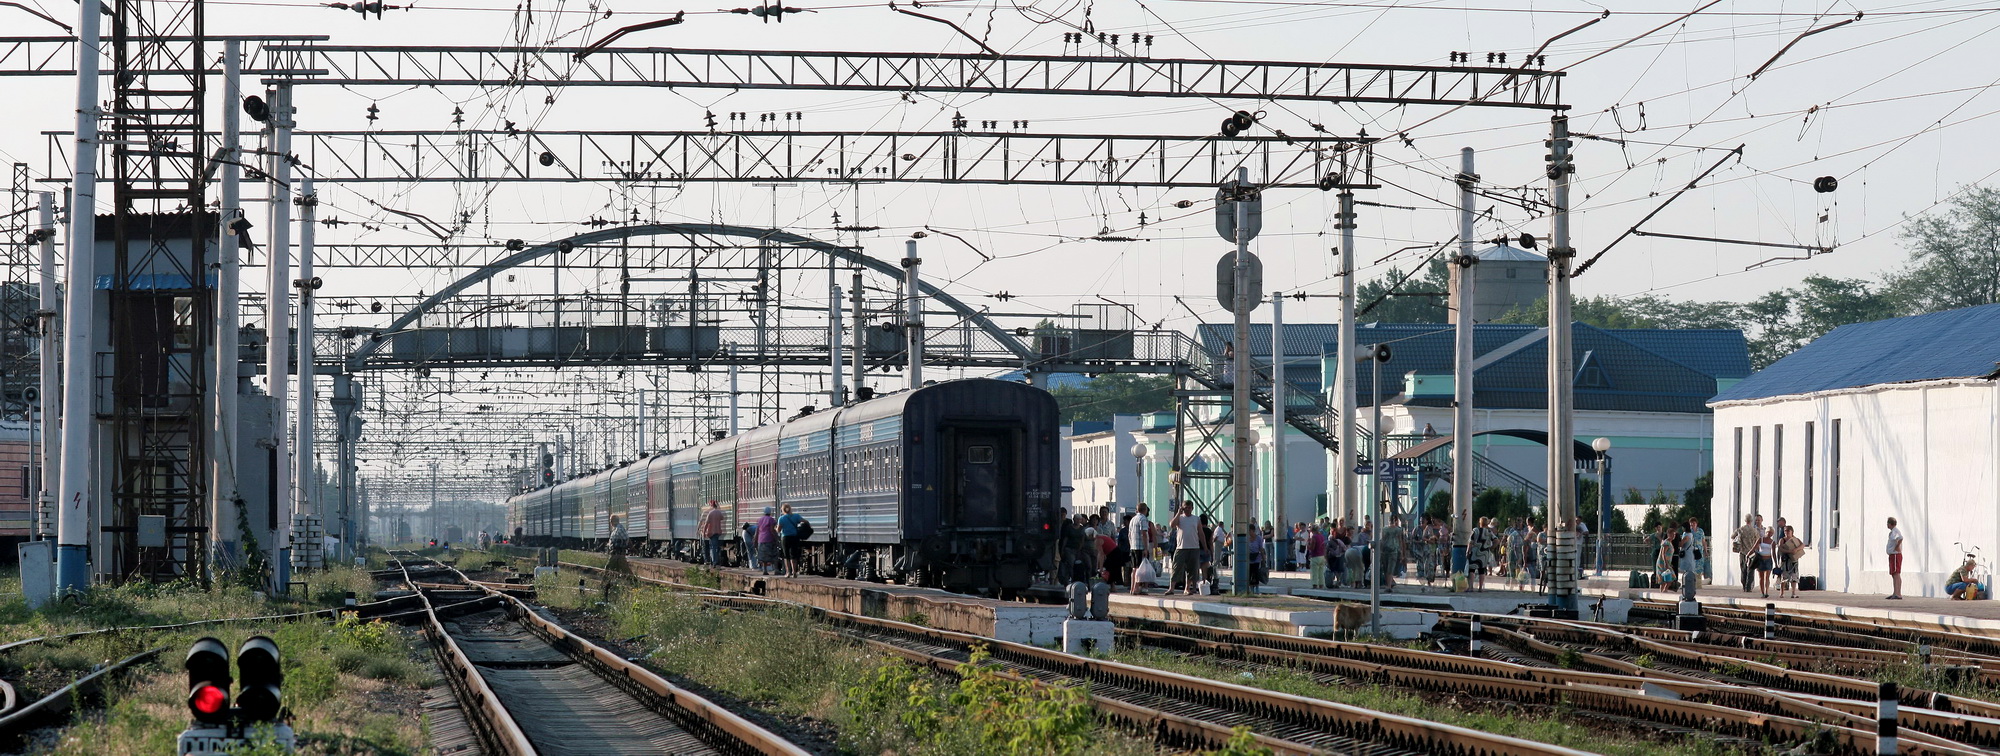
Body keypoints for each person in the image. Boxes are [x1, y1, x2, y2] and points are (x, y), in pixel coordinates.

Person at [1168, 503, 1202, 595]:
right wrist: (1178, 513)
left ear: (1192, 508)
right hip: (1181, 547)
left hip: (1194, 547)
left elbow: (1201, 533)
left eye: (1189, 507)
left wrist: (1205, 546)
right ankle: (1171, 588)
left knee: (1191, 569)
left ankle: (1187, 588)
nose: (1187, 509)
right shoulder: (1180, 518)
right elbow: (1172, 525)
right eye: (1185, 508)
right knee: (1176, 568)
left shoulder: (1196, 519)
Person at [1734, 514, 1762, 593]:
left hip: (1743, 552)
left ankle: (1744, 585)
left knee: (1743, 569)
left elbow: (1733, 536)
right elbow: (1758, 540)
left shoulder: (1740, 529)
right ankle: (1749, 587)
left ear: (1745, 520)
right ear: (1752, 520)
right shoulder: (1754, 530)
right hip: (1752, 552)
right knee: (1751, 569)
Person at [777, 503, 806, 577]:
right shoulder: (796, 516)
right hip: (794, 537)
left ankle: (788, 572)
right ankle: (794, 572)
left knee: (786, 556)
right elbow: (805, 521)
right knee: (793, 555)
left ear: (783, 510)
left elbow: (779, 530)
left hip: (785, 538)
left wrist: (775, 528)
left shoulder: (781, 518)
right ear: (790, 509)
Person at [1777, 525, 1804, 598]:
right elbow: (1780, 548)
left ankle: (1793, 593)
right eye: (1785, 530)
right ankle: (1782, 592)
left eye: (1788, 530)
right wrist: (1789, 551)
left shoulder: (1795, 539)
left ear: (1792, 531)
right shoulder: (1782, 540)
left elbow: (1802, 545)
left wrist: (1796, 549)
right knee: (1784, 577)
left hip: (1794, 561)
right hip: (1785, 561)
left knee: (1794, 577)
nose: (1786, 532)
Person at [754, 507, 781, 576]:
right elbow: (772, 530)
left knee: (763, 556)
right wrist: (776, 538)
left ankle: (765, 570)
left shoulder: (759, 520)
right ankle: (776, 570)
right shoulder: (771, 520)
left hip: (761, 539)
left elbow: (757, 531)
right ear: (770, 512)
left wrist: (755, 540)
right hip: (770, 539)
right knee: (774, 554)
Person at [700, 501, 727, 566]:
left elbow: (706, 524)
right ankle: (715, 560)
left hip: (711, 532)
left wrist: (704, 532)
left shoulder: (710, 513)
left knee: (713, 547)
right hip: (718, 531)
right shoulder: (719, 512)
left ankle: (714, 561)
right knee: (716, 547)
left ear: (712, 506)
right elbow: (722, 518)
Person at [1886, 516, 1905, 599]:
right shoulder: (1893, 531)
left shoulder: (1895, 531)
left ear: (1890, 524)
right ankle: (1895, 592)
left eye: (1887, 523)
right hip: (1892, 555)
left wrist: (1897, 546)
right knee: (1894, 574)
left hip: (1895, 555)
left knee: (1896, 574)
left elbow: (1900, 538)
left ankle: (1898, 593)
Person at [1753, 527, 1775, 598]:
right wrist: (1749, 555)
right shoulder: (1761, 539)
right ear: (1766, 532)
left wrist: (1776, 563)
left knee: (1767, 577)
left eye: (1771, 533)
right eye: (1768, 532)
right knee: (1761, 577)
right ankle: (1762, 592)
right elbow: (1754, 548)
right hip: (1760, 560)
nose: (1769, 534)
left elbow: (1774, 553)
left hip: (1768, 559)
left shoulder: (1772, 542)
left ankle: (1767, 591)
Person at [1306, 524, 1328, 589]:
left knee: (1314, 572)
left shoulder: (1314, 537)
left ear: (1312, 530)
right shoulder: (1322, 536)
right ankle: (1321, 584)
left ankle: (1315, 584)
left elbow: (1312, 547)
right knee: (1321, 572)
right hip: (1322, 556)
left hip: (1315, 556)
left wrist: (1308, 545)